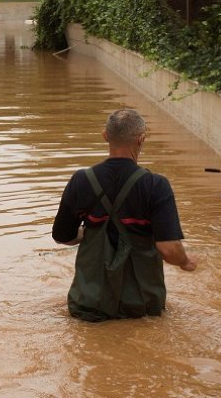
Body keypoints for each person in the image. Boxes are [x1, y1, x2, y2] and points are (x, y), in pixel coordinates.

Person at [52, 108, 197, 321]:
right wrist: (185, 261)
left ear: (105, 136)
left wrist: (87, 232)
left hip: (89, 306)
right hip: (142, 309)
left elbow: (62, 236)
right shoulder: (155, 186)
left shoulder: (81, 181)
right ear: (141, 139)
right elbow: (168, 248)